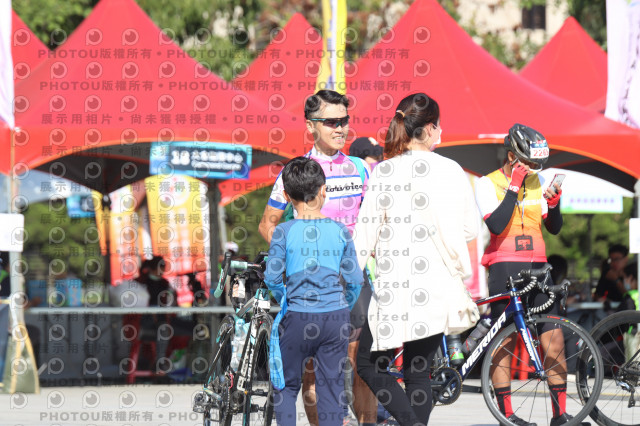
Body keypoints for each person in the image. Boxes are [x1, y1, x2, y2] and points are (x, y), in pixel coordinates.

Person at [354, 93, 479, 425]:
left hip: (396, 285)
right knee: (418, 372)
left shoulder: (384, 171)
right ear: (431, 127)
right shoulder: (453, 170)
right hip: (438, 286)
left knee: (369, 364)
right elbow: (470, 229)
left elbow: (364, 237)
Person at [258, 89, 376, 425]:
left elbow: (379, 221)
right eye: (331, 122)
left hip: (354, 279)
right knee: (312, 374)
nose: (340, 128)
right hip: (311, 286)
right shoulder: (296, 172)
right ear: (311, 126)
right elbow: (267, 224)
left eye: (344, 121)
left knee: (360, 365)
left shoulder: (359, 168)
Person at [475, 123, 587, 426]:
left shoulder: (539, 181)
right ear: (512, 156)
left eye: (538, 164)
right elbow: (496, 225)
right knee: (505, 342)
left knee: (554, 339)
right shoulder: (487, 183)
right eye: (529, 163)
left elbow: (554, 228)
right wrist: (513, 186)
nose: (535, 169)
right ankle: (506, 414)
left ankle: (560, 414)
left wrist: (554, 205)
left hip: (538, 265)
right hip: (504, 265)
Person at [264, 156, 363, 426]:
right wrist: (344, 305)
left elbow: (272, 277)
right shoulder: (340, 230)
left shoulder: (283, 231)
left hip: (297, 316)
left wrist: (285, 299)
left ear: (286, 196)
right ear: (323, 190)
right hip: (335, 318)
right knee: (331, 388)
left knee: (286, 387)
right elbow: (355, 280)